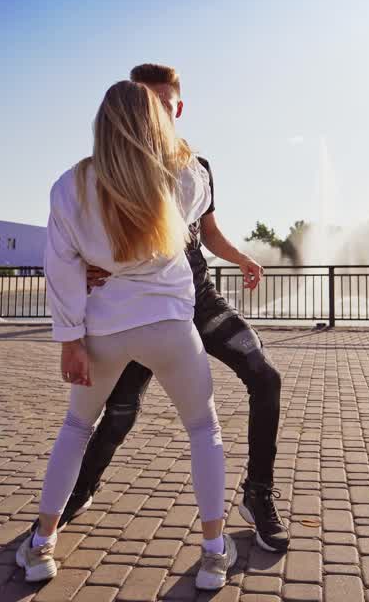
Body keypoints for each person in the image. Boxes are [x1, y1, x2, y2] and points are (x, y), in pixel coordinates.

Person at [60, 63, 289, 554]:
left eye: (163, 104)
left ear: (177, 108)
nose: (154, 113)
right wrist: (87, 271)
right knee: (119, 411)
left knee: (265, 375)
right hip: (144, 307)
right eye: (145, 103)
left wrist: (242, 257)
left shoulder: (195, 167)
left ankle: (258, 494)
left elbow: (208, 232)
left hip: (197, 298)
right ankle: (78, 490)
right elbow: (81, 238)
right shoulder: (108, 172)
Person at [18, 80, 236, 590]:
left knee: (76, 428)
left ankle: (41, 544)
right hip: (171, 327)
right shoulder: (185, 175)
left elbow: (61, 268)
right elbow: (190, 215)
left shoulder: (69, 186)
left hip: (104, 330)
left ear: (102, 123)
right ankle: (213, 554)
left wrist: (70, 339)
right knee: (203, 430)